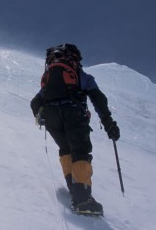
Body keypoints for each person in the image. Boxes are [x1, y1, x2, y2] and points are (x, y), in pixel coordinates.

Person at [30, 43, 120, 216]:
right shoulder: (81, 75)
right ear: (76, 59)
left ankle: (75, 188)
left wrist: (41, 117)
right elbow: (98, 99)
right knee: (80, 151)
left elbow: (35, 102)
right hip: (73, 113)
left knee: (66, 149)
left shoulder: (48, 79)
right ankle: (83, 199)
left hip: (51, 118)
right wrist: (109, 123)